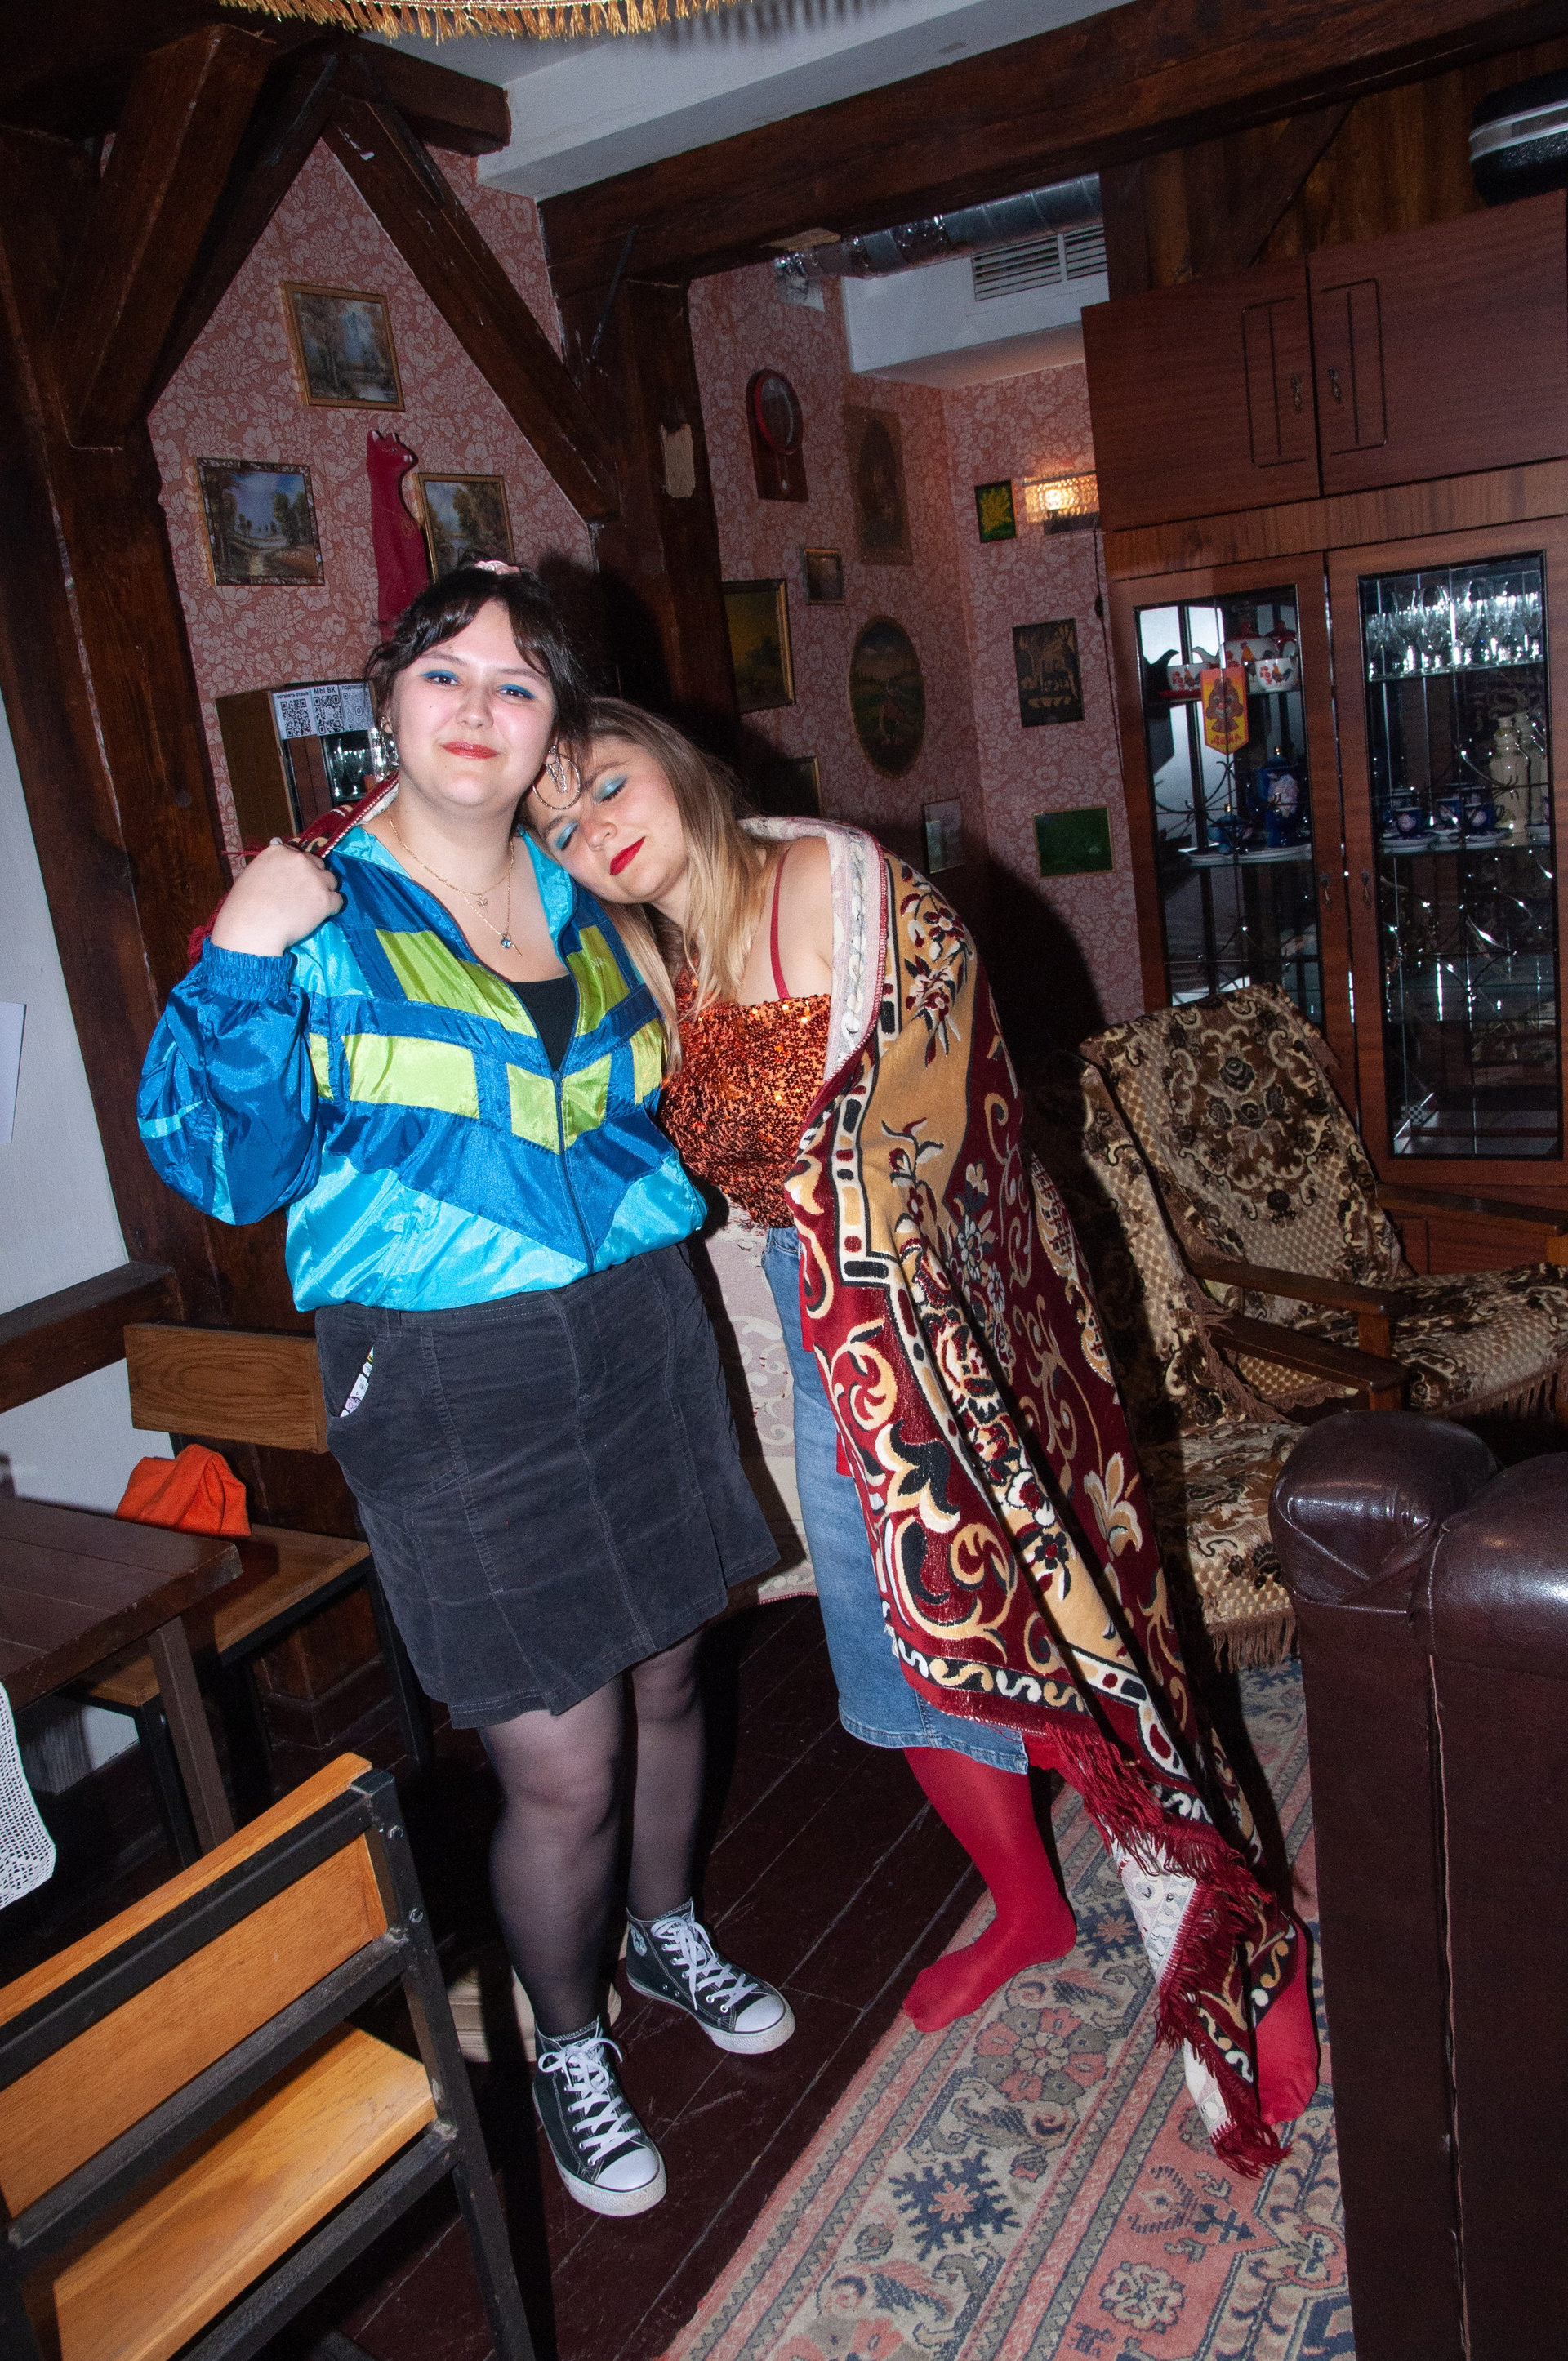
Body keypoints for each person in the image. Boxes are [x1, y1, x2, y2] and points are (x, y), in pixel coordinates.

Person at [529, 698, 1319, 2172]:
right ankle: (1024, 1906)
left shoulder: (844, 885)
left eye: (608, 786)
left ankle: (1227, 1937)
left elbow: (958, 1117)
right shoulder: (644, 966)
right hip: (822, 1341)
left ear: (673, 763)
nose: (596, 834)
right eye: (561, 827)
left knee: (1075, 1643)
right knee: (900, 1658)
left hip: (958, 1326)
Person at [136, 572, 793, 2221]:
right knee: (562, 1758)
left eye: (518, 685)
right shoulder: (315, 913)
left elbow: (694, 1107)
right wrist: (238, 956)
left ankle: (668, 1935)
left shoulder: (597, 898)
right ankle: (565, 2041)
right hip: (446, 1377)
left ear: (555, 726)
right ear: (389, 702)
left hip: (640, 1331)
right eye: (446, 674)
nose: (479, 710)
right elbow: (225, 1167)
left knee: (671, 1676)